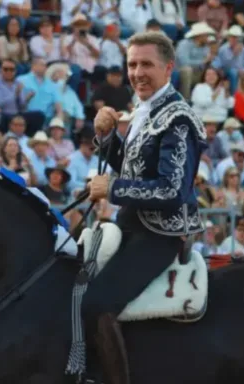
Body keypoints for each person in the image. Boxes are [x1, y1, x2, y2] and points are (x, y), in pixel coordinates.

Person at [84, 31, 206, 384]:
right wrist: (108, 139)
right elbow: (132, 168)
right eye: (132, 64)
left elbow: (171, 190)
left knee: (95, 304)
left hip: (160, 234)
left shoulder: (178, 118)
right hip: (132, 225)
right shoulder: (145, 109)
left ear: (168, 68)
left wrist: (114, 188)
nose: (137, 72)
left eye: (146, 64)